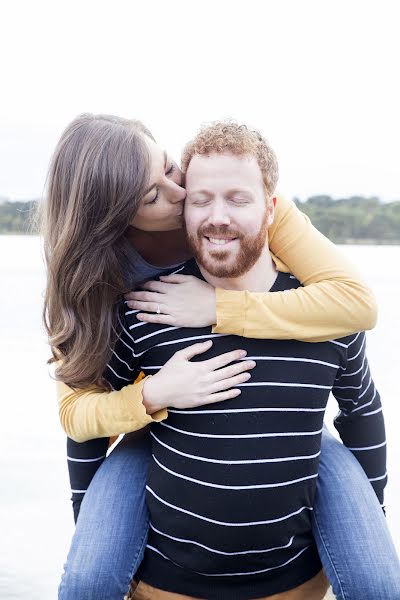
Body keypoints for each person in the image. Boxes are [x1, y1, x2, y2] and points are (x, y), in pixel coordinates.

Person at [39, 115, 398, 599]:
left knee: (378, 579)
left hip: (292, 439)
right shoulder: (105, 291)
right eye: (156, 195)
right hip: (149, 418)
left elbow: (358, 311)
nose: (184, 193)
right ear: (118, 214)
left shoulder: (273, 233)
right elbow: (79, 416)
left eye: (170, 169)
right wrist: (151, 395)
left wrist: (218, 307)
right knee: (88, 580)